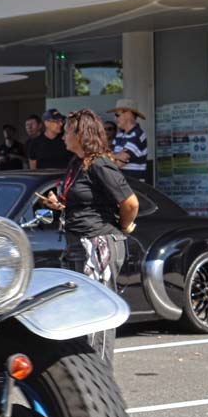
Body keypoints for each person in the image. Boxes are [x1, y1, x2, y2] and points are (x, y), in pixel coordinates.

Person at [37, 109, 138, 364]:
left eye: (68, 131)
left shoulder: (100, 163)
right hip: (78, 242)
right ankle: (89, 369)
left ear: (81, 134)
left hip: (98, 242)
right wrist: (59, 204)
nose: (62, 136)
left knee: (99, 311)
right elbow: (83, 200)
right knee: (83, 311)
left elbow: (131, 204)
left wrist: (123, 228)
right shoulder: (76, 164)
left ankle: (101, 375)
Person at [108, 98, 149, 181]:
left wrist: (109, 157)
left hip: (134, 189)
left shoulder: (137, 135)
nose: (115, 119)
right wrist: (115, 156)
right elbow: (109, 157)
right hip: (123, 188)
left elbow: (118, 163)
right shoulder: (119, 135)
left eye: (117, 115)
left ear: (128, 114)